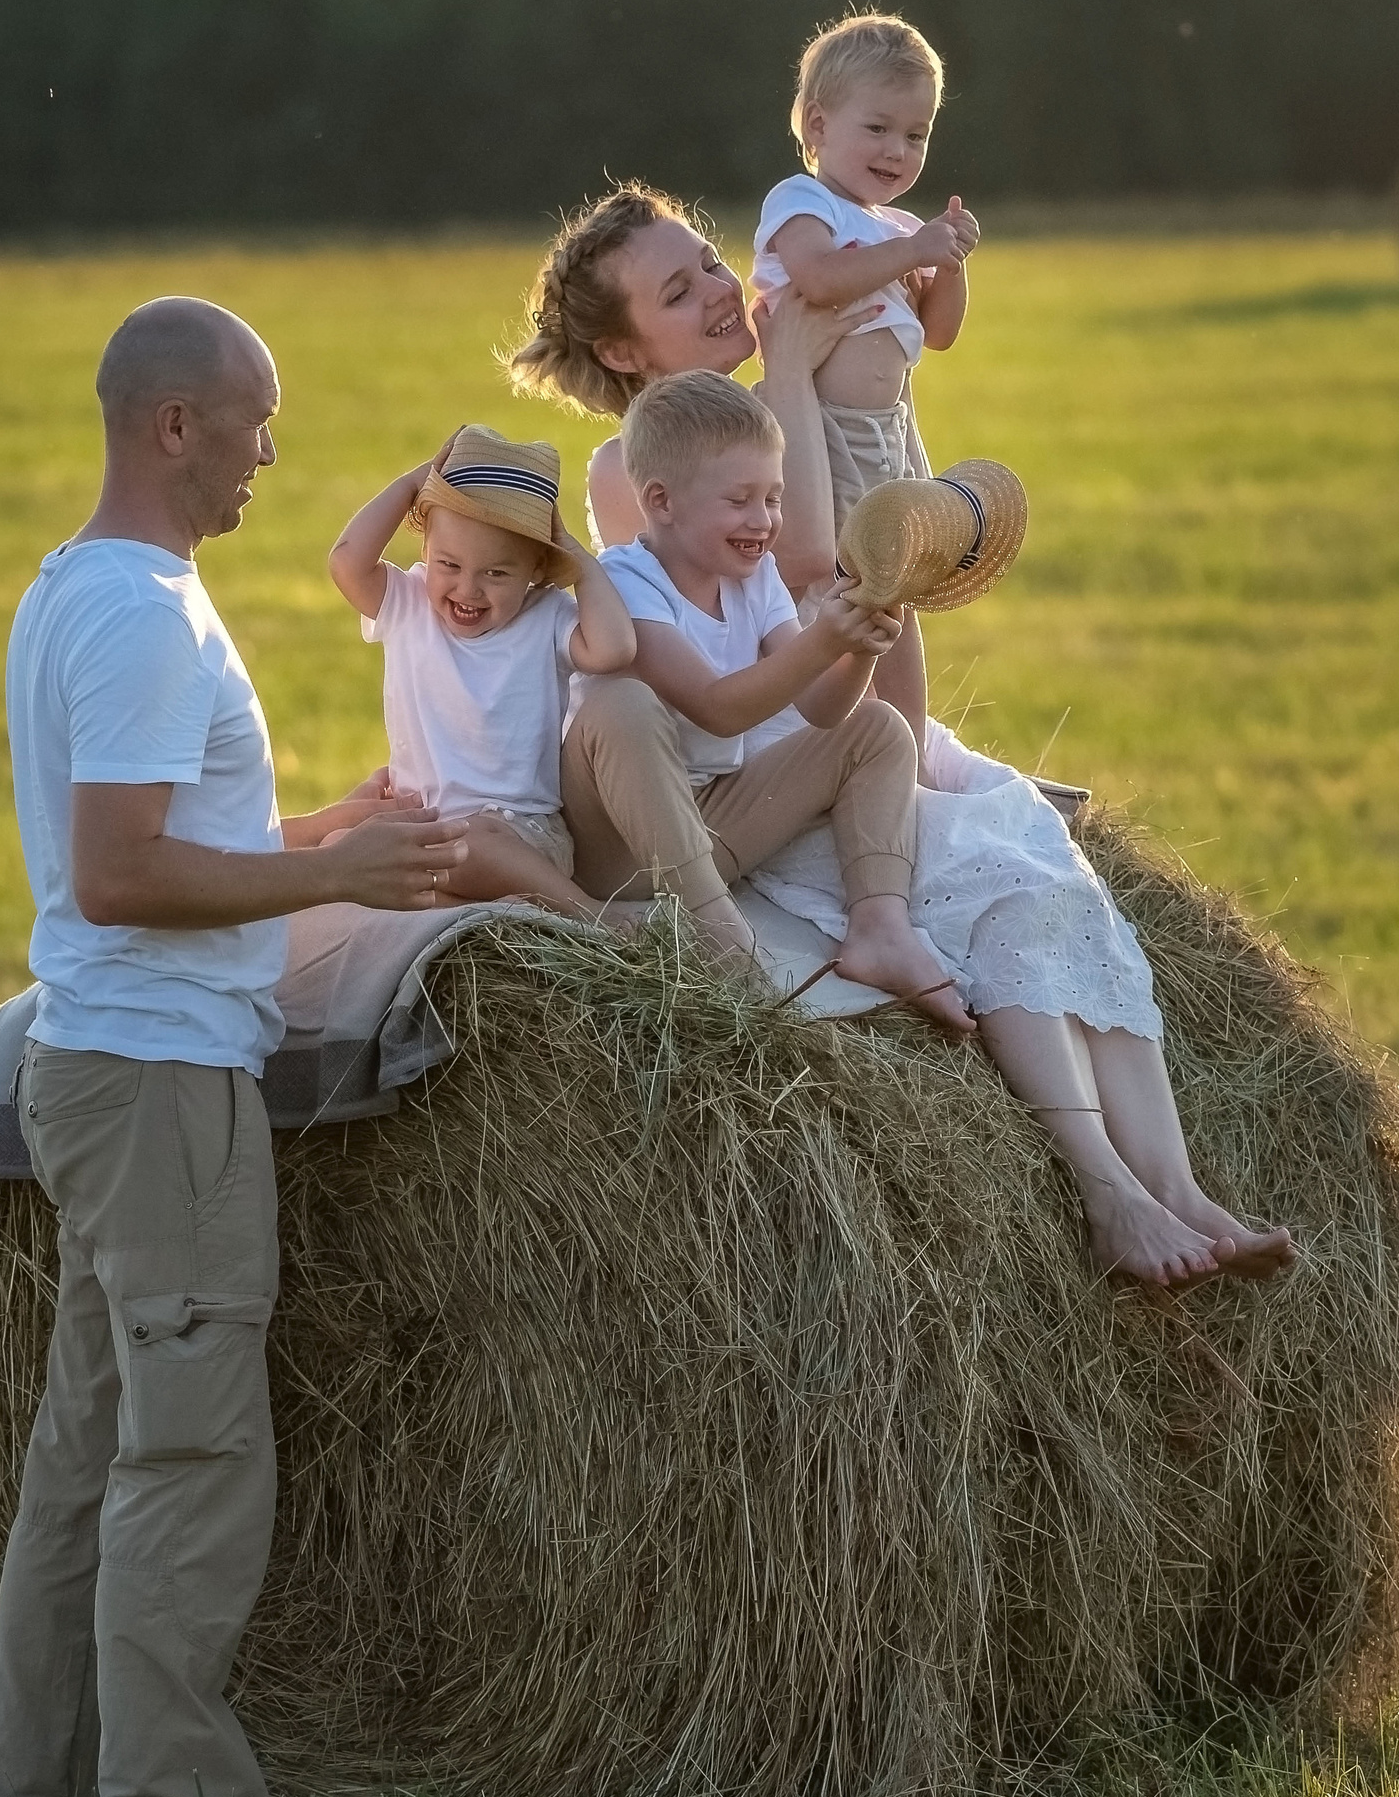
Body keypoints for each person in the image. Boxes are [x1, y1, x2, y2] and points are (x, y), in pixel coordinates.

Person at [511, 193, 1293, 1289]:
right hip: (741, 770)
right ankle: (1106, 1192)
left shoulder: (764, 437)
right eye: (677, 291)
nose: (718, 291)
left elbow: (850, 636)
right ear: (620, 348)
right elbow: (807, 560)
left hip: (816, 730)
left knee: (1036, 877)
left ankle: (1178, 1186)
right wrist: (789, 357)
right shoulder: (632, 473)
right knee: (983, 880)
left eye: (710, 263)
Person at [0, 296, 469, 1797]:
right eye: (255, 420)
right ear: (172, 424)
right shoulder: (140, 618)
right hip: (161, 1083)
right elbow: (119, 876)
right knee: (189, 1454)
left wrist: (320, 836)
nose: (274, 449)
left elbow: (143, 831)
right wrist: (344, 888)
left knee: (91, 1437)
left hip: (106, 1068)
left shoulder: (85, 589)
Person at [562, 369, 973, 1035]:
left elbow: (824, 709)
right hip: (617, 849)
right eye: (741, 500)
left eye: (774, 497)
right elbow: (715, 707)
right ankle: (717, 931)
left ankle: (879, 924)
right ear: (663, 501)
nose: (765, 520)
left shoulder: (752, 582)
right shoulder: (624, 582)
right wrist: (820, 643)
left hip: (712, 824)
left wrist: (859, 641)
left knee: (879, 727)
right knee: (621, 704)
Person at [327, 423, 637, 918]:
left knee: (475, 842)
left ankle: (590, 914)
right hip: (424, 832)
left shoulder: (546, 615)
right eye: (449, 564)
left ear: (536, 570)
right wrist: (415, 484)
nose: (468, 590)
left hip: (519, 834)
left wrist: (574, 553)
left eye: (496, 573)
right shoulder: (407, 602)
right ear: (425, 549)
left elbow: (615, 649)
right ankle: (493, 910)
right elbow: (346, 561)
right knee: (340, 844)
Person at [751, 12, 977, 529]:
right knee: (845, 569)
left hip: (890, 430)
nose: (897, 150)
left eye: (917, 135)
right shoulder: (804, 200)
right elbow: (819, 279)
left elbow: (938, 334)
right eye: (877, 128)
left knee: (903, 565)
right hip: (820, 429)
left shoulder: (899, 228)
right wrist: (915, 252)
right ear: (818, 125)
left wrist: (948, 262)